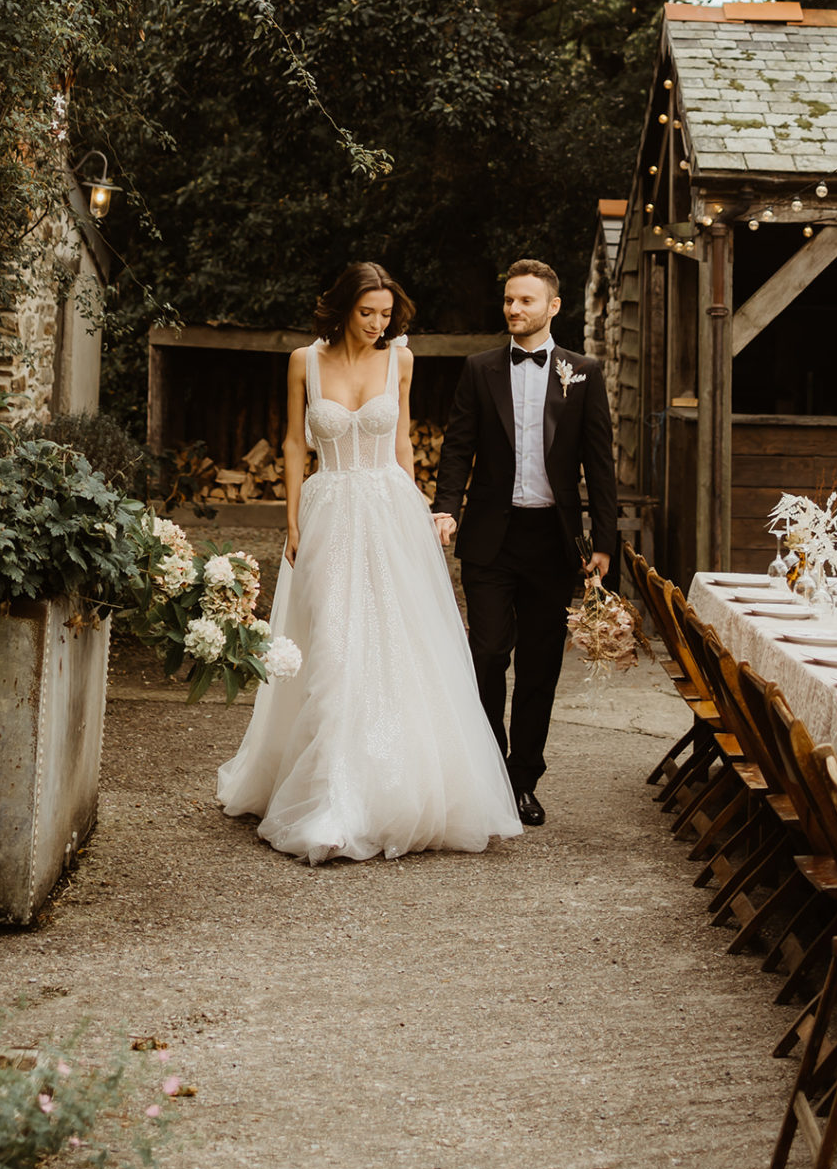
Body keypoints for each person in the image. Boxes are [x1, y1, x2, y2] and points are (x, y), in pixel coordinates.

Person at [216, 260, 522, 864]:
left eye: (386, 315)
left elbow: (404, 440)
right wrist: (292, 519)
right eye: (367, 314)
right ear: (342, 307)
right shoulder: (304, 360)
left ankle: (396, 789)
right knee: (332, 644)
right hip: (329, 509)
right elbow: (293, 442)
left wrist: (416, 511)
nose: (378, 325)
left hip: (389, 509)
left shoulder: (399, 360)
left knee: (398, 644)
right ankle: (329, 796)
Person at [431, 258, 619, 826]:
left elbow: (600, 464)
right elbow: (458, 445)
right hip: (491, 537)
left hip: (552, 542)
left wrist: (603, 542)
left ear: (553, 307)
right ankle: (487, 770)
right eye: (509, 300)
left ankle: (522, 780)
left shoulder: (583, 372)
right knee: (487, 654)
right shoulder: (479, 369)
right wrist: (445, 507)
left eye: (526, 301)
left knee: (540, 668)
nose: (515, 309)